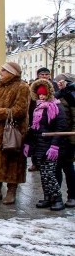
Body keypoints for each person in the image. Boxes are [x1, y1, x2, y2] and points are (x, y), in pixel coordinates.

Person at [0, 62, 30, 205]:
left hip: (10, 132)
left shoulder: (22, 87)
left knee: (11, 161)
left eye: (4, 70)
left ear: (12, 72)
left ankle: (11, 191)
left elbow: (20, 110)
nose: (0, 72)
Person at [23, 80, 67, 210]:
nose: (41, 96)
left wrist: (55, 146)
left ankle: (57, 198)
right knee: (43, 174)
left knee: (49, 174)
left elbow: (61, 127)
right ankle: (48, 197)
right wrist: (28, 143)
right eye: (39, 94)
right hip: (39, 146)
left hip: (50, 146)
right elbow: (34, 128)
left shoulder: (56, 107)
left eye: (44, 94)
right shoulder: (37, 108)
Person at [53, 73, 75, 207]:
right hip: (57, 137)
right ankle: (57, 196)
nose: (59, 83)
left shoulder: (72, 96)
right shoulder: (57, 96)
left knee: (68, 168)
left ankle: (72, 195)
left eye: (62, 81)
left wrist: (72, 138)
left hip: (68, 138)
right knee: (56, 168)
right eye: (57, 81)